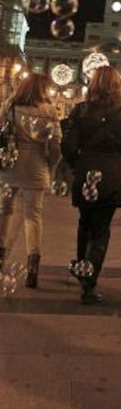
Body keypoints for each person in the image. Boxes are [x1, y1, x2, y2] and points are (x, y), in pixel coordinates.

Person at [61, 66, 121, 305]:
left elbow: (67, 146)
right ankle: (89, 285)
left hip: (87, 175)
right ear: (117, 88)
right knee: (100, 230)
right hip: (112, 178)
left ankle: (83, 270)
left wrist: (78, 164)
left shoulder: (80, 111)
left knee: (84, 224)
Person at [0, 72, 61, 288]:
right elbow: (56, 147)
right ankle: (33, 264)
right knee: (33, 216)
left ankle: (0, 258)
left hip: (10, 166)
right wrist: (50, 167)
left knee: (4, 211)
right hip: (36, 168)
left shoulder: (10, 106)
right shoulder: (50, 111)